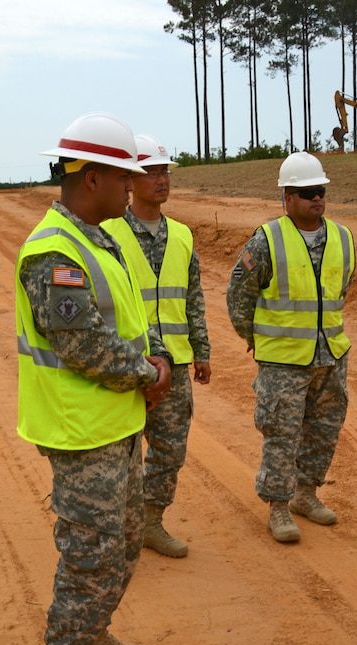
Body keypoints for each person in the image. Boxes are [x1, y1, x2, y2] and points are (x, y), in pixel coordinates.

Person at [16, 112, 173, 645]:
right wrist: (148, 375)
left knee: (124, 543)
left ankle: (94, 637)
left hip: (116, 422)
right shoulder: (53, 251)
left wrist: (155, 360)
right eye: (125, 175)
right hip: (80, 432)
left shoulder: (100, 236)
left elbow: (131, 318)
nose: (133, 186)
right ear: (93, 177)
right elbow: (86, 347)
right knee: (89, 555)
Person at [226, 152, 355, 544]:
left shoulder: (343, 237)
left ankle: (306, 494)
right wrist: (256, 339)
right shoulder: (266, 241)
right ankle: (279, 507)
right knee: (282, 433)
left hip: (330, 355)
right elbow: (238, 297)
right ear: (287, 198)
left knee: (324, 430)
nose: (316, 198)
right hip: (282, 362)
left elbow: (341, 290)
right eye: (306, 192)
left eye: (320, 191)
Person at [101, 134, 210, 558]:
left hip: (176, 363)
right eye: (152, 171)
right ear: (130, 179)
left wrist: (201, 351)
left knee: (169, 449)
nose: (162, 179)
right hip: (127, 362)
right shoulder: (107, 233)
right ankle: (118, 529)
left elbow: (193, 297)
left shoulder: (182, 235)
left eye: (166, 171)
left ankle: (150, 522)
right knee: (121, 451)